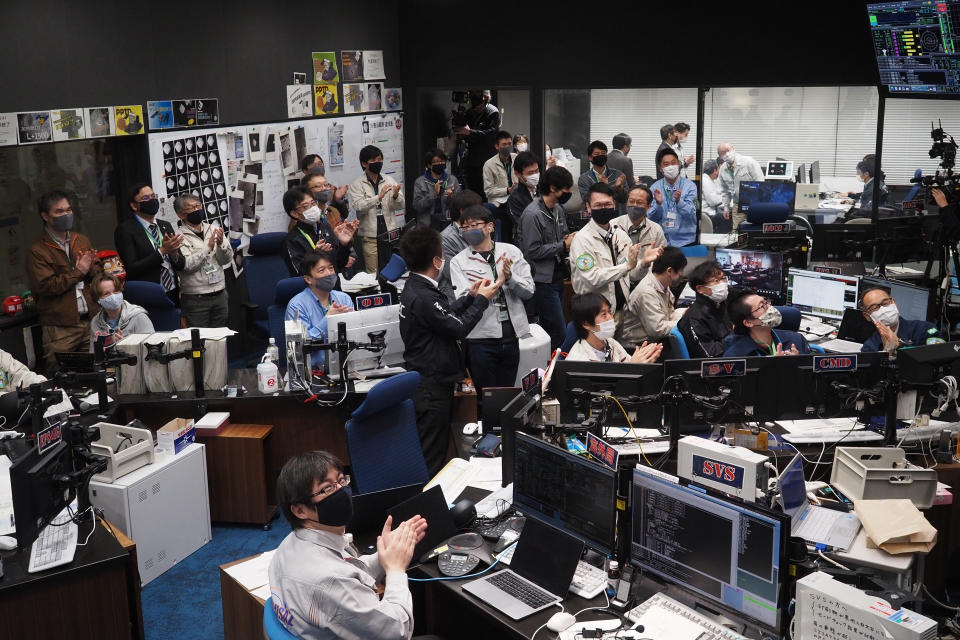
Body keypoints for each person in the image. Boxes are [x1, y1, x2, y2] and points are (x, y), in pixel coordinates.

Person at [269, 450, 430, 640]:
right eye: (327, 488)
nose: (340, 491)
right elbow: (398, 632)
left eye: (341, 481)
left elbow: (349, 575)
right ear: (300, 510)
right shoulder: (330, 581)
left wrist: (387, 553)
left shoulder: (290, 544)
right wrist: (396, 570)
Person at [399, 226, 502, 474]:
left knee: (435, 448)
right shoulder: (423, 296)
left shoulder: (417, 287)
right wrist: (482, 301)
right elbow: (458, 328)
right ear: (437, 260)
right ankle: (426, 506)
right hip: (431, 386)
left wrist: (470, 296)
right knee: (432, 455)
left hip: (431, 380)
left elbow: (443, 316)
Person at [450, 205, 534, 396]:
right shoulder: (458, 261)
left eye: (474, 225)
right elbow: (462, 299)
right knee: (486, 397)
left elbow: (529, 290)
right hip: (480, 338)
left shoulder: (511, 252)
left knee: (507, 395)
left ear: (490, 227)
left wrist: (510, 278)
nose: (469, 230)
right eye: (465, 227)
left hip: (512, 335)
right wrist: (493, 286)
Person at [27, 190, 101, 372]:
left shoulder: (81, 240)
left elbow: (97, 274)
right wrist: (79, 271)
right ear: (45, 216)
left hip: (90, 320)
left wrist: (91, 266)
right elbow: (46, 286)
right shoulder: (38, 250)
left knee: (93, 374)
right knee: (62, 378)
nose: (66, 215)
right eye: (59, 212)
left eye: (68, 210)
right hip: (60, 328)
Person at [570, 183, 659, 314]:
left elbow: (631, 274)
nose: (603, 208)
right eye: (598, 205)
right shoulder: (582, 240)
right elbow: (592, 278)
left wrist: (644, 264)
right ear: (588, 207)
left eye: (607, 204)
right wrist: (626, 266)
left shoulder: (620, 235)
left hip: (620, 309)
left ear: (614, 205)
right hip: (595, 314)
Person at [520, 166, 577, 351]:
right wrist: (563, 246)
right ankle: (557, 367)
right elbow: (532, 251)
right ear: (553, 188)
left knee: (548, 327)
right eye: (566, 189)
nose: (569, 193)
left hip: (558, 275)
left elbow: (563, 233)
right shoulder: (532, 214)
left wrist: (569, 239)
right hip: (542, 280)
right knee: (559, 331)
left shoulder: (558, 209)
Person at [114, 182, 184, 305]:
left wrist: (174, 254)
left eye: (153, 196)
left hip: (172, 291)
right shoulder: (125, 230)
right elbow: (132, 268)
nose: (152, 200)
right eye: (145, 198)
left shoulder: (165, 225)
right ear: (134, 206)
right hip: (147, 295)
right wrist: (162, 251)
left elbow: (181, 264)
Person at [285, 251, 355, 367]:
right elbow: (299, 346)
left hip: (345, 366)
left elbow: (356, 334)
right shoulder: (296, 306)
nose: (329, 274)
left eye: (331, 268)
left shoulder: (344, 298)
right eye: (322, 270)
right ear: (308, 279)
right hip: (314, 372)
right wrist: (327, 320)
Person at [173, 195, 234, 327]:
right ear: (181, 214)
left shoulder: (213, 229)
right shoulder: (178, 237)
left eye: (198, 206)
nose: (197, 209)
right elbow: (187, 265)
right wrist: (208, 248)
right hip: (196, 298)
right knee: (199, 342)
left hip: (220, 294)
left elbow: (226, 260)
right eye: (192, 207)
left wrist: (222, 245)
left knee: (220, 338)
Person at [348, 145, 404, 274]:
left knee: (392, 271)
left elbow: (401, 205)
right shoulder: (357, 184)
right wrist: (378, 197)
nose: (377, 163)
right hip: (370, 237)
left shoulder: (388, 179)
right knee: (373, 273)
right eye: (373, 160)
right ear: (364, 163)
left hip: (390, 235)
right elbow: (359, 206)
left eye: (379, 160)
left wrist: (395, 195)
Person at [281, 186, 359, 277]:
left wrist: (343, 244)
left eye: (313, 203)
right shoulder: (292, 240)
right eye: (306, 206)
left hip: (334, 285)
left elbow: (339, 264)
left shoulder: (325, 227)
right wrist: (316, 256)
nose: (312, 208)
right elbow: (299, 274)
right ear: (294, 213)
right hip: (313, 289)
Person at [619, 247, 687, 349]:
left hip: (652, 342)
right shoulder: (647, 293)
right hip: (635, 348)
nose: (682, 274)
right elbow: (657, 329)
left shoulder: (663, 284)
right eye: (681, 270)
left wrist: (686, 314)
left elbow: (668, 316)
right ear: (669, 271)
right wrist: (686, 322)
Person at [566, 292, 663, 363]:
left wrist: (645, 360)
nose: (610, 317)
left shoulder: (611, 343)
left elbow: (629, 364)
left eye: (609, 312)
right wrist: (634, 367)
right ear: (586, 324)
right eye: (604, 314)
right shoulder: (578, 359)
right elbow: (605, 389)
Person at [859, 287, 944, 353]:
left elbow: (940, 355)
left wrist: (899, 347)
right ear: (867, 316)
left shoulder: (925, 329)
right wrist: (887, 354)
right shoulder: (869, 347)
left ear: (894, 303)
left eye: (885, 303)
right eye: (874, 307)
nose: (883, 309)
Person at [723, 292, 810, 356]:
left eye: (766, 302)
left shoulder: (797, 340)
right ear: (748, 322)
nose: (770, 307)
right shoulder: (736, 355)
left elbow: (813, 378)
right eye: (762, 306)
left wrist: (798, 362)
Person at [611, 184, 666, 285]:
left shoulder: (656, 229)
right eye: (631, 201)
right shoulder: (613, 225)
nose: (634, 205)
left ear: (648, 207)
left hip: (646, 282)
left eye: (639, 202)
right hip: (618, 281)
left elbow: (662, 261)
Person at [676, 261, 733, 358]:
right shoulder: (695, 318)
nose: (723, 284)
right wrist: (735, 336)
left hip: (731, 351)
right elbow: (711, 354)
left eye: (723, 278)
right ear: (700, 289)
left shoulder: (720, 303)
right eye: (716, 281)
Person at [647, 148, 699, 247]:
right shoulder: (654, 188)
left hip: (686, 241)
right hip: (662, 241)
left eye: (673, 163)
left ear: (679, 164)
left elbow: (692, 213)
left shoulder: (690, 186)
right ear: (660, 169)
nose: (670, 167)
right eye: (666, 164)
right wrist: (658, 204)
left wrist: (679, 201)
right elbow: (650, 218)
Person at [89, 273, 154, 351]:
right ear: (98, 299)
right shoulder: (96, 322)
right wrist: (98, 349)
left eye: (116, 291)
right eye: (106, 293)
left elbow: (151, 351)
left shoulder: (139, 317)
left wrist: (124, 346)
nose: (113, 296)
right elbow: (93, 358)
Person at [454, 90, 501, 195]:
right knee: (473, 189)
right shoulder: (471, 112)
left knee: (486, 190)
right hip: (472, 158)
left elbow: (490, 135)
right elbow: (464, 130)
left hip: (487, 157)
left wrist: (470, 132)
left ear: (485, 100)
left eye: (479, 106)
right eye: (475, 107)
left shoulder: (493, 112)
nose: (477, 109)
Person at [438, 189, 482, 301]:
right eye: (477, 209)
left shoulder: (481, 230)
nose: (481, 212)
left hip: (480, 291)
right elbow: (452, 273)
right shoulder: (445, 238)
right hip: (458, 297)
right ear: (463, 211)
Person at [716, 142, 764, 230]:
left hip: (755, 203)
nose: (727, 154)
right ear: (720, 157)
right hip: (737, 204)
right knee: (737, 232)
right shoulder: (723, 169)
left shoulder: (748, 162)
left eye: (728, 150)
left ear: (733, 149)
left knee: (756, 230)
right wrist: (726, 208)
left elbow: (761, 182)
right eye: (723, 153)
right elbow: (725, 191)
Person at [412, 148, 459, 228]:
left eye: (442, 161)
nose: (440, 163)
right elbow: (417, 206)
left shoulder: (452, 180)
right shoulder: (420, 182)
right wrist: (434, 194)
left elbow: (459, 205)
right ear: (429, 165)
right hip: (427, 226)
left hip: (448, 224)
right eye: (436, 162)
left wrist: (451, 197)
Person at [506, 151, 539, 246]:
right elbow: (523, 225)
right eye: (530, 173)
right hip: (527, 242)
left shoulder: (543, 187)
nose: (535, 175)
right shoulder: (515, 196)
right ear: (518, 174)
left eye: (537, 171)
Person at [577, 140, 626, 205]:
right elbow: (586, 200)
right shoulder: (584, 178)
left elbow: (624, 199)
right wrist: (605, 187)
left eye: (603, 153)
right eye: (597, 154)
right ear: (590, 158)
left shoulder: (618, 175)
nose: (600, 156)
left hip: (615, 213)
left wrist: (619, 189)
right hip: (594, 213)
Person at [482, 131, 516, 208]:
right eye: (504, 144)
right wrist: (507, 190)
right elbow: (488, 191)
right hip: (499, 203)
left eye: (509, 144)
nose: (508, 147)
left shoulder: (517, 158)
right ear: (497, 146)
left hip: (516, 199)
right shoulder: (489, 164)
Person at [700, 159, 730, 233]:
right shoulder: (705, 181)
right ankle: (720, 240)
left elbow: (719, 192)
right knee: (725, 217)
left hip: (710, 212)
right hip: (706, 215)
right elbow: (713, 201)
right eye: (718, 170)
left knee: (726, 215)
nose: (718, 173)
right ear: (714, 170)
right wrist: (724, 198)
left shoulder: (710, 180)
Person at [606, 133, 636, 204]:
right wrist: (634, 180)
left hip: (605, 197)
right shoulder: (626, 160)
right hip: (620, 200)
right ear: (625, 147)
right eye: (630, 145)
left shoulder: (604, 158)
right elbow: (630, 184)